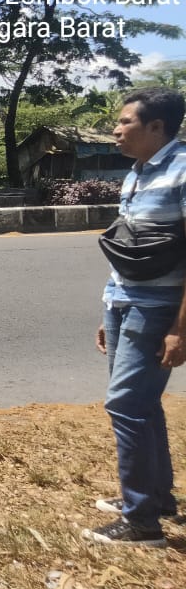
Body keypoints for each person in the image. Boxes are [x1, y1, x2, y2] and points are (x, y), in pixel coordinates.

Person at [86, 86, 186, 548]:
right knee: (142, 405)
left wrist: (180, 327)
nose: (116, 129)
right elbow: (127, 249)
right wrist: (110, 308)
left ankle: (141, 523)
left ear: (156, 128)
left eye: (125, 122)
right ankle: (159, 500)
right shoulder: (136, 173)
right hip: (125, 303)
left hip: (158, 309)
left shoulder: (182, 170)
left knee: (125, 404)